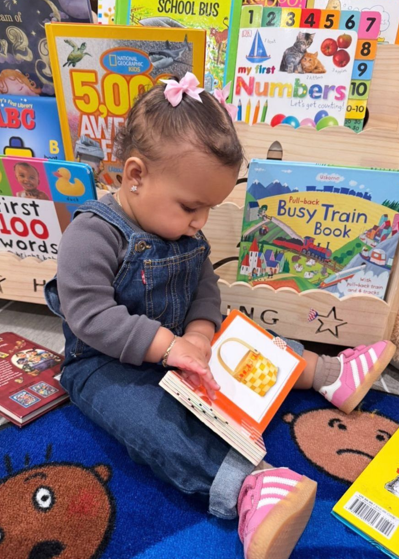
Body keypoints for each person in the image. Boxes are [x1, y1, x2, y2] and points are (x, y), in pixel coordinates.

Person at [45, 73, 395, 559]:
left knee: (248, 342)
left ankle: (327, 372)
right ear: (135, 175)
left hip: (181, 346)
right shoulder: (93, 234)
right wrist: (168, 347)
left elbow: (205, 288)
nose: (200, 222)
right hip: (102, 364)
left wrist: (202, 333)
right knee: (148, 420)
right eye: (192, 207)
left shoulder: (186, 235)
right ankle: (246, 486)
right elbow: (89, 314)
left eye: (210, 208)